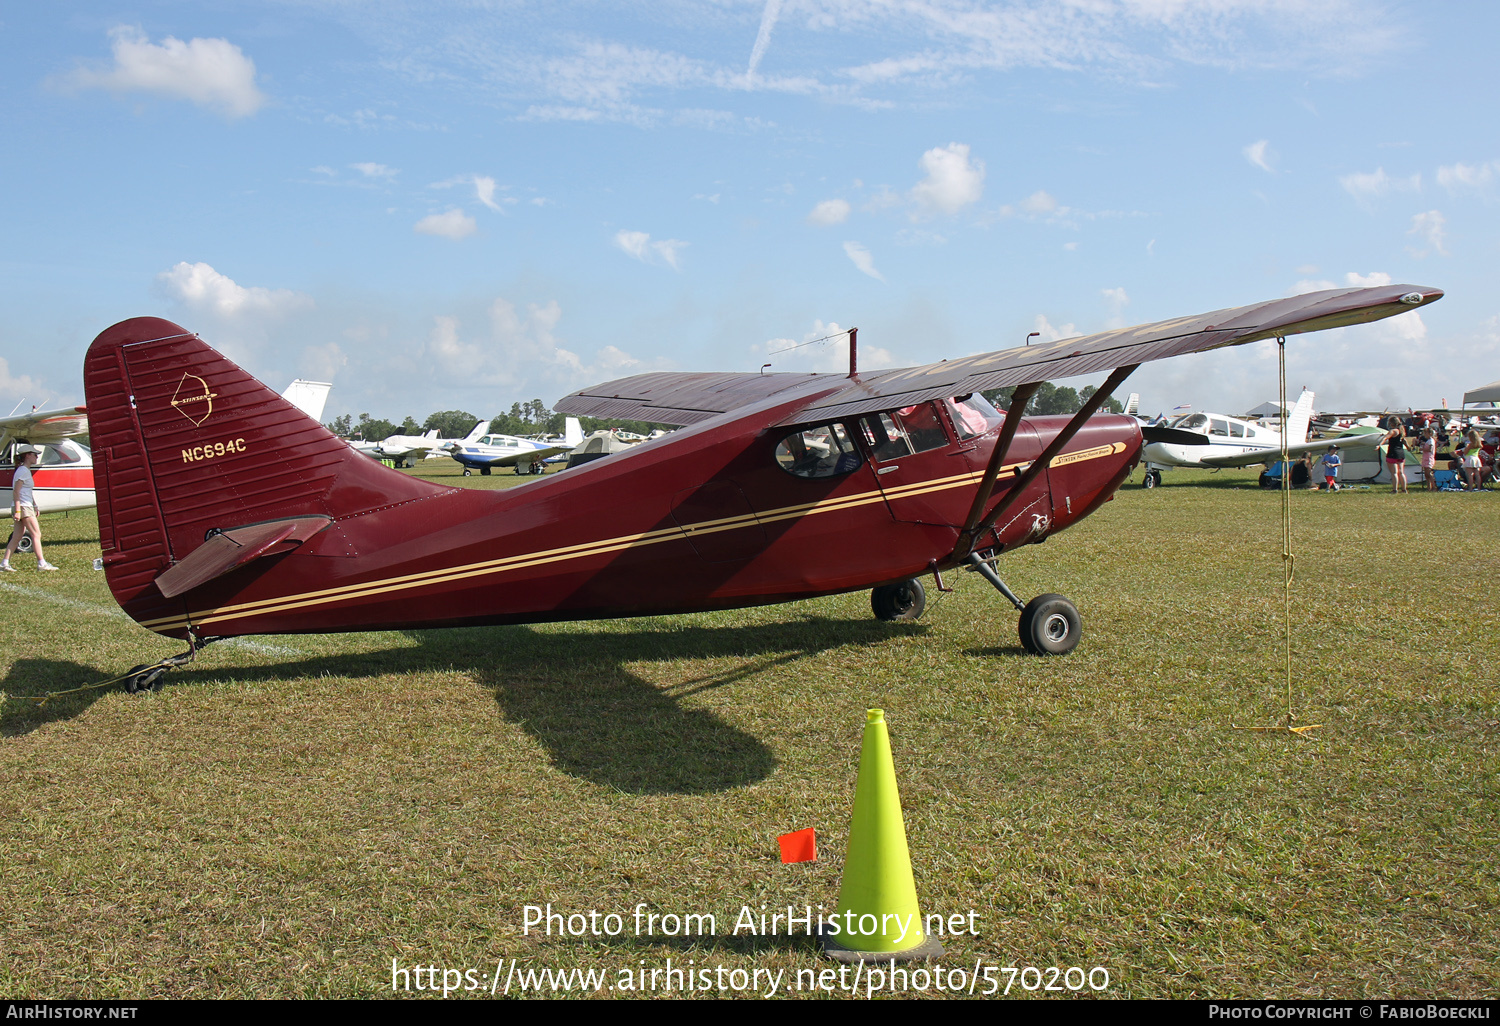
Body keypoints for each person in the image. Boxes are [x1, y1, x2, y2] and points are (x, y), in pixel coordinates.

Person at [3, 445, 59, 571]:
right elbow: (16, 492)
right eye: (34, 454)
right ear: (27, 455)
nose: (36, 456)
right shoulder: (23, 471)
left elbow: (26, 491)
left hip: (25, 506)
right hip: (23, 507)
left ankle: (4, 563)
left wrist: (34, 505)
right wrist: (18, 511)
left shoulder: (24, 470)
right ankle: (41, 563)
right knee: (36, 534)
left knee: (17, 536)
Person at [1382, 419, 1409, 494]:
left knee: (1394, 473)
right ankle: (1404, 489)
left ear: (1391, 423)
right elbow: (1404, 441)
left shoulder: (1393, 431)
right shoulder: (1401, 431)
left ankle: (1395, 489)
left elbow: (1386, 437)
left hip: (1392, 453)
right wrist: (1408, 447)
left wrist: (1380, 444)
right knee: (1401, 472)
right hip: (1401, 453)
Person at [1420, 427, 1437, 491]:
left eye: (1425, 433)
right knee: (1426, 474)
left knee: (1429, 473)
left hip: (1429, 458)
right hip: (1425, 458)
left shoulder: (1431, 441)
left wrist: (1422, 449)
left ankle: (1433, 486)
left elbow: (1430, 449)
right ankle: (1428, 487)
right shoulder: (1428, 441)